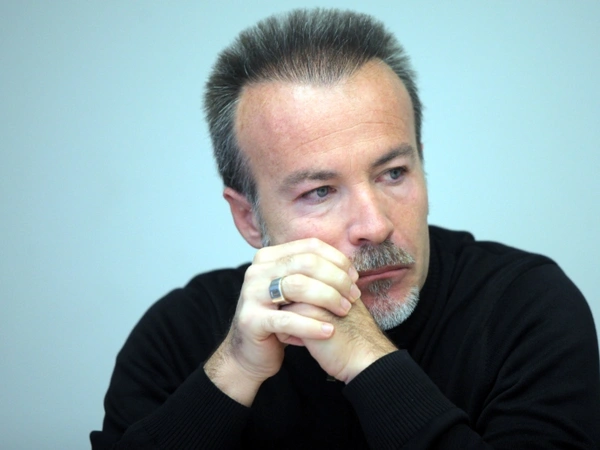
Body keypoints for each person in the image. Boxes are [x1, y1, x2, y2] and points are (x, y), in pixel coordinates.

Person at [90, 8, 600, 449]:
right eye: (320, 192)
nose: (375, 226)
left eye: (393, 173)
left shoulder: (526, 306)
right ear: (248, 218)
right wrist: (236, 372)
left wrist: (368, 360)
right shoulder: (179, 334)